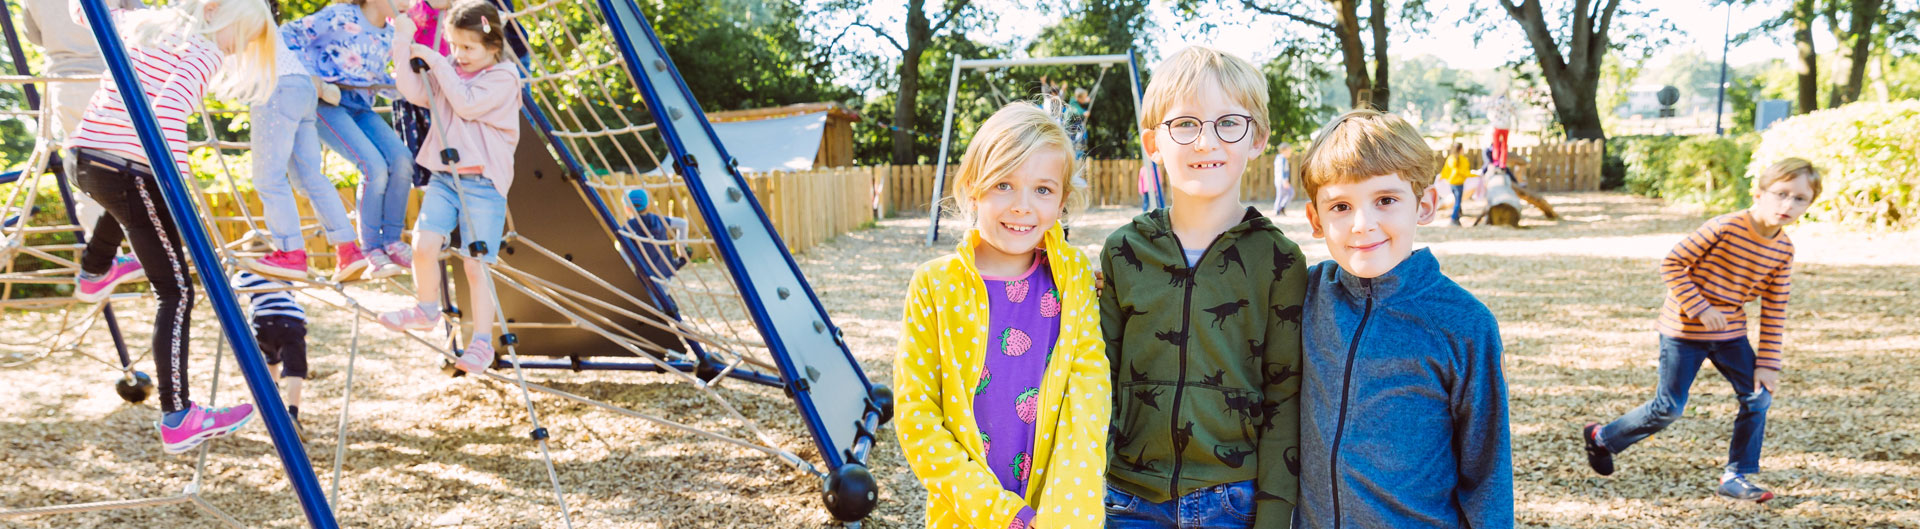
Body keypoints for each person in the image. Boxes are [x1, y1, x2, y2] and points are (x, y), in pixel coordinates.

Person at [1099, 46, 1305, 529]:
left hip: (1233, 503)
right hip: (1126, 499)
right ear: (1153, 143)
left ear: (1257, 139)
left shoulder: (1279, 260)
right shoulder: (1124, 250)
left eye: (1228, 123)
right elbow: (1097, 378)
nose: (1206, 142)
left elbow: (1285, 395)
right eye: (1186, 124)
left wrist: (1275, 516)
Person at [64, 0, 279, 453]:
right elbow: (167, 113)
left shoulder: (143, 22)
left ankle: (94, 271)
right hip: (128, 167)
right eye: (239, 36)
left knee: (127, 211)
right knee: (177, 290)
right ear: (216, 12)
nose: (236, 49)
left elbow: (86, 13)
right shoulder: (203, 52)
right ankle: (178, 415)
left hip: (85, 157)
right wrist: (177, 191)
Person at [893, 102, 1109, 529]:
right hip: (966, 515)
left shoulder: (1074, 279)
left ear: (1063, 200)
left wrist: (1064, 518)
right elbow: (917, 417)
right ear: (973, 186)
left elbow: (1089, 398)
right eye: (1004, 185)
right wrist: (1002, 513)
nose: (1022, 206)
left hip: (1056, 510)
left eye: (1043, 190)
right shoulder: (934, 286)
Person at [1295, 109, 1512, 528]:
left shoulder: (1465, 324)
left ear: (1425, 205)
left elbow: (1488, 468)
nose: (1363, 225)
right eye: (1341, 206)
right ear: (1315, 220)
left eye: (1386, 200)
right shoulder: (1304, 297)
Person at [1581, 158, 1821, 504]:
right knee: (1669, 408)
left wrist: (1769, 362)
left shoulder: (1783, 250)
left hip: (1730, 334)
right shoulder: (1724, 227)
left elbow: (1775, 307)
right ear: (1758, 193)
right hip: (1683, 331)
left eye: (1800, 199)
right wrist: (1700, 308)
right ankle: (1603, 437)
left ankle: (1736, 475)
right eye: (1781, 194)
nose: (1788, 205)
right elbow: (1672, 263)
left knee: (1758, 397)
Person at [375, 0, 522, 374]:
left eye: (468, 48)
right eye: (453, 46)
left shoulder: (503, 78)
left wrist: (439, 61)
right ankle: (426, 310)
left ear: (493, 46)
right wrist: (402, 43)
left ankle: (482, 343)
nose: (459, 55)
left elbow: (468, 105)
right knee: (423, 244)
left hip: (483, 184)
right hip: (445, 176)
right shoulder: (452, 71)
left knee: (476, 265)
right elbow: (414, 92)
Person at [25, 0, 149, 303]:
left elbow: (33, 35)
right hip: (111, 75)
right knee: (134, 168)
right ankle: (128, 251)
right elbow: (144, 19)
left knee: (88, 175)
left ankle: (103, 260)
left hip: (64, 81)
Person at [283, 0, 415, 281]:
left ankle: (392, 240)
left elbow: (376, 77)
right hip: (327, 102)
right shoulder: (340, 16)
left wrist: (413, 84)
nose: (408, 2)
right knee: (373, 167)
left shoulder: (389, 34)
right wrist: (310, 78)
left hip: (360, 105)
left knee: (402, 159)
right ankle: (370, 249)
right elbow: (287, 34)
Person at [239, 26, 361, 280]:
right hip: (301, 85)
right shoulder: (257, 11)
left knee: (268, 178)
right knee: (310, 176)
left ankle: (290, 251)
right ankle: (348, 248)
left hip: (275, 88)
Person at [231, 270, 311, 436]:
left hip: (263, 322)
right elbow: (290, 294)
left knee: (271, 359)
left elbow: (232, 295)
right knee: (295, 369)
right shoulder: (283, 269)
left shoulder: (245, 273)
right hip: (292, 321)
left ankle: (272, 405)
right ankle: (292, 413)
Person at [392, 0, 453, 188]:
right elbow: (397, 21)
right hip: (418, 84)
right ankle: (433, 191)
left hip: (447, 84)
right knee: (425, 159)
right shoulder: (410, 7)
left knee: (451, 146)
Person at [623, 188, 689, 280]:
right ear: (648, 205)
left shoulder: (628, 228)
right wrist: (682, 251)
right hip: (666, 274)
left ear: (627, 208)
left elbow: (625, 256)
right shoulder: (659, 220)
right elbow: (683, 224)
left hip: (645, 278)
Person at [1440, 142, 1473, 226]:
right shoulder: (1463, 159)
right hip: (1458, 183)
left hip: (1452, 183)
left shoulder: (1450, 158)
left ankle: (1457, 217)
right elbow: (1466, 173)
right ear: (1461, 149)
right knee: (1458, 202)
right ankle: (1453, 219)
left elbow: (1445, 170)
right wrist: (1476, 175)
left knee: (1456, 201)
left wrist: (1443, 178)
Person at [1271, 144, 1294, 215]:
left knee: (1282, 195)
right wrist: (1284, 180)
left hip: (1278, 180)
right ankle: (1279, 209)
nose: (1290, 153)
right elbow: (1282, 170)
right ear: (1284, 150)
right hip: (1281, 180)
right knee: (1290, 192)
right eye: (1289, 151)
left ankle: (1280, 208)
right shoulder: (1282, 159)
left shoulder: (1278, 158)